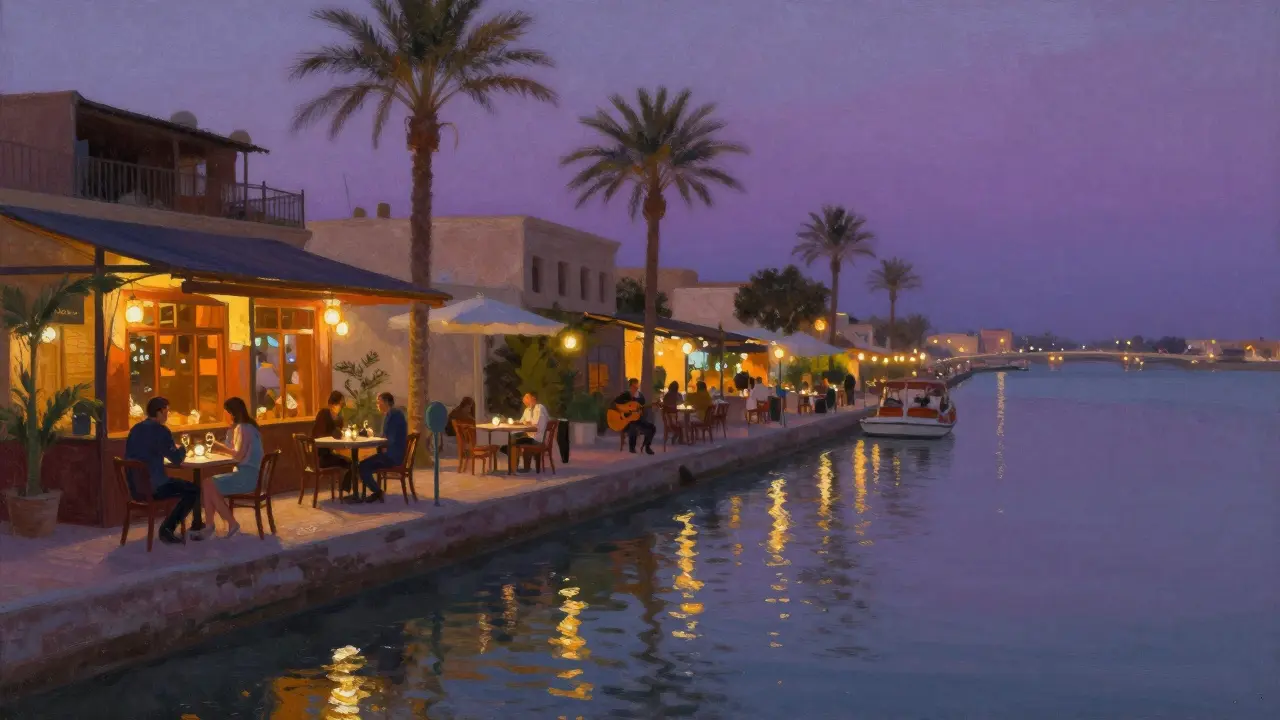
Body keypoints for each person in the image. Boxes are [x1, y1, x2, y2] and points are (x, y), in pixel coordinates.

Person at [124, 397, 205, 544]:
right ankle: (167, 529)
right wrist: (184, 447)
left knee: (182, 486)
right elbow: (176, 459)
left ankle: (174, 527)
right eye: (167, 411)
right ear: (160, 412)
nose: (168, 415)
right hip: (155, 488)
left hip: (135, 488)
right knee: (194, 490)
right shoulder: (161, 431)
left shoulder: (135, 429)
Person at [206, 398, 264, 538]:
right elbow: (235, 451)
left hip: (247, 477)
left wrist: (219, 447)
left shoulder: (244, 428)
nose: (225, 414)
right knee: (207, 483)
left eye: (226, 412)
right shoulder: (247, 427)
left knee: (208, 484)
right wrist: (229, 435)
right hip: (250, 474)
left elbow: (238, 456)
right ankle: (209, 525)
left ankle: (229, 523)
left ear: (232, 413)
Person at [357, 392, 407, 502]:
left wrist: (378, 442)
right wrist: (373, 436)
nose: (377, 405)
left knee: (362, 466)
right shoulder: (392, 414)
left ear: (386, 402)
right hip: (391, 454)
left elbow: (390, 439)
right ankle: (374, 491)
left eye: (379, 402)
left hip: (393, 456)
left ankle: (377, 492)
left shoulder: (394, 416)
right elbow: (386, 437)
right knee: (364, 462)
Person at [312, 390, 352, 489]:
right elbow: (318, 435)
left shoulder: (339, 419)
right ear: (332, 404)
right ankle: (344, 490)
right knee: (349, 463)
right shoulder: (323, 414)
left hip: (330, 454)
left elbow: (339, 435)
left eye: (341, 405)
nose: (340, 407)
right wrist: (334, 434)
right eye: (339, 404)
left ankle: (344, 489)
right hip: (320, 457)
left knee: (352, 463)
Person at [499, 392, 548, 471]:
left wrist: (525, 423)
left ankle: (516, 465)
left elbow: (536, 424)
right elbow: (522, 422)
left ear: (533, 398)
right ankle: (515, 463)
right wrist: (513, 422)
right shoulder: (527, 410)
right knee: (511, 440)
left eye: (527, 398)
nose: (524, 400)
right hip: (529, 437)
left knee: (513, 443)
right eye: (524, 398)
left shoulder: (540, 408)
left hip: (537, 439)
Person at [612, 378, 655, 454]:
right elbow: (615, 404)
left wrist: (642, 411)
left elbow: (643, 409)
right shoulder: (625, 395)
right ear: (630, 386)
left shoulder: (640, 397)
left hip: (638, 419)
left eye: (636, 386)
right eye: (634, 386)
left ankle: (647, 447)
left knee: (652, 428)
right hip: (625, 421)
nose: (635, 388)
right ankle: (632, 448)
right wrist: (625, 409)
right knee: (633, 427)